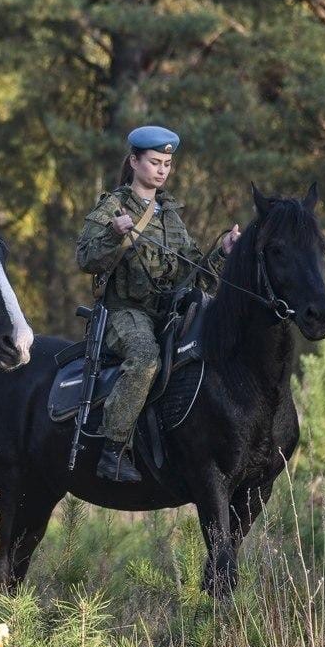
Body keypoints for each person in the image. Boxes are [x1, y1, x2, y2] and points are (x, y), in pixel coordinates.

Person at [76, 126, 241, 482]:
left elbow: (196, 274)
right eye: (155, 162)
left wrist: (223, 252)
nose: (162, 170)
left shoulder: (171, 215)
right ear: (134, 162)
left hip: (168, 313)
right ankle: (112, 450)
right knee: (145, 359)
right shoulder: (113, 207)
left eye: (167, 163)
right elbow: (86, 258)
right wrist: (114, 235)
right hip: (125, 312)